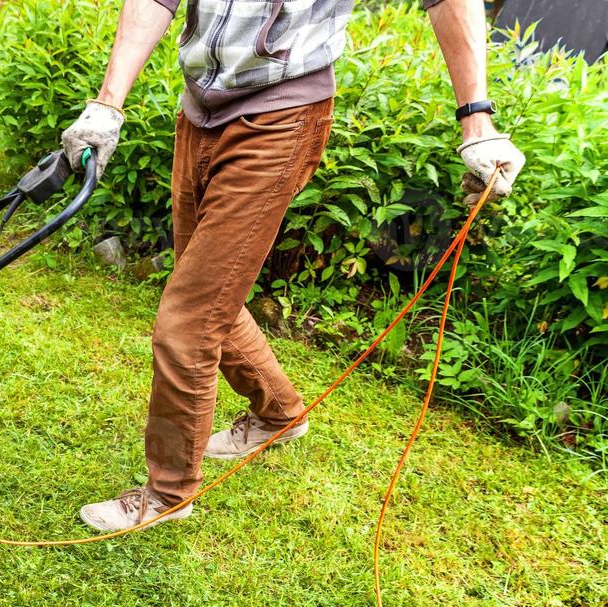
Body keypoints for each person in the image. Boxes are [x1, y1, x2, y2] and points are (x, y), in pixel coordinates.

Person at [67, 0, 525, 532]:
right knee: (206, 291)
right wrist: (108, 104)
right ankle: (279, 414)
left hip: (279, 119)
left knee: (188, 320)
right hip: (200, 109)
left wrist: (477, 120)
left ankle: (168, 493)